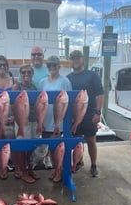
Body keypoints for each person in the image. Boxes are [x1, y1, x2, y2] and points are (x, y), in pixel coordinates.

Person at [67, 50, 104, 177]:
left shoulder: (92, 75)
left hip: (89, 115)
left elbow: (100, 94)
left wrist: (98, 112)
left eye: (77, 58)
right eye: (72, 58)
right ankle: (79, 161)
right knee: (77, 141)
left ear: (82, 59)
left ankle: (93, 164)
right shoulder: (68, 78)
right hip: (75, 116)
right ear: (70, 61)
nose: (75, 61)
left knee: (91, 140)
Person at [39, 55, 72, 183]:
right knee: (51, 148)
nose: (52, 67)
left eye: (54, 65)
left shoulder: (65, 81)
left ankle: (60, 171)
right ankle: (56, 170)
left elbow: (70, 101)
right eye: (49, 65)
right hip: (45, 120)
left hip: (58, 121)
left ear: (59, 66)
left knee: (58, 147)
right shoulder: (43, 82)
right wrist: (40, 122)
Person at [13, 64, 39, 183]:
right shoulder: (16, 87)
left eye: (29, 72)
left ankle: (30, 169)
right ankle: (23, 172)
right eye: (23, 73)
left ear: (32, 74)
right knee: (21, 146)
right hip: (22, 121)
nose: (26, 75)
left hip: (34, 121)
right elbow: (13, 106)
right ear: (20, 74)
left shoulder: (34, 87)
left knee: (32, 147)